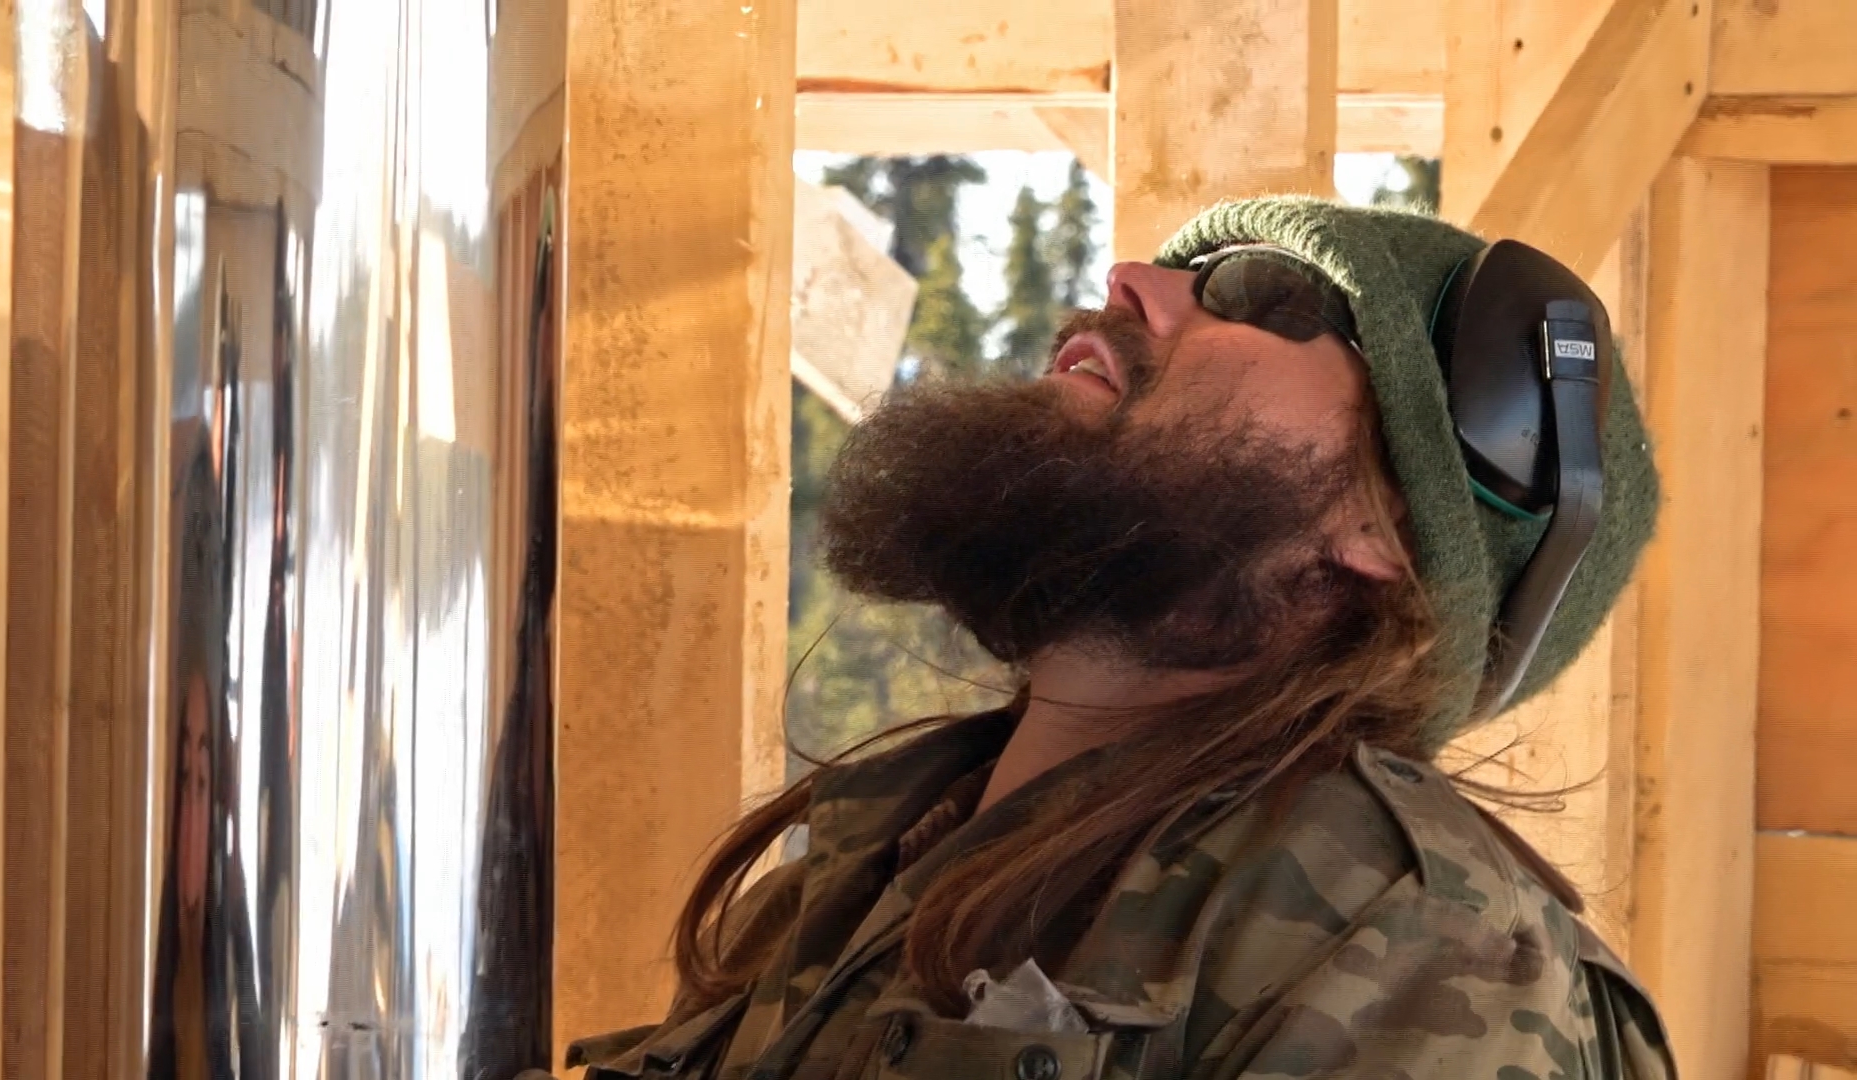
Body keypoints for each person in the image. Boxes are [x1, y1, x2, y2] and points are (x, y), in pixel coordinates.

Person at [568, 197, 1673, 1080]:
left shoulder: (1413, 943)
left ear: (1386, 526)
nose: (1131, 280)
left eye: (1260, 293)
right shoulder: (864, 862)